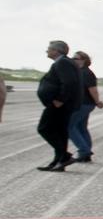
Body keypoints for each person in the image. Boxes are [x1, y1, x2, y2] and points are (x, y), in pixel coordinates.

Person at [36, 40, 82, 171]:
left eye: (49, 49)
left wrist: (60, 100)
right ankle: (59, 162)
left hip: (60, 105)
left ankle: (64, 156)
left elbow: (69, 83)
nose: (47, 51)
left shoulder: (63, 62)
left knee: (44, 128)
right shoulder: (65, 62)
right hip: (64, 105)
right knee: (60, 132)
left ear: (57, 51)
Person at [67, 51, 103, 163]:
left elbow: (93, 90)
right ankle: (86, 154)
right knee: (81, 128)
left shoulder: (86, 73)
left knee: (69, 126)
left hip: (83, 104)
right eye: (73, 58)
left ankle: (84, 150)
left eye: (76, 58)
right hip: (85, 104)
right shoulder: (81, 72)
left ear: (83, 60)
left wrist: (97, 101)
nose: (73, 60)